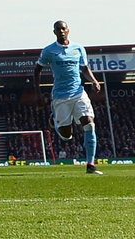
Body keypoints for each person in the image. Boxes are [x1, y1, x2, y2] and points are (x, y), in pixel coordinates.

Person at [33, 20, 104, 175]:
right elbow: (37, 70)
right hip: (60, 96)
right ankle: (56, 123)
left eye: (64, 28)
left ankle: (90, 165)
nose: (62, 31)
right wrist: (38, 93)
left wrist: (94, 80)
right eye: (58, 29)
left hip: (79, 93)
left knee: (89, 123)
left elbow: (84, 68)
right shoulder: (49, 51)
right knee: (66, 135)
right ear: (54, 32)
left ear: (68, 30)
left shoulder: (78, 48)